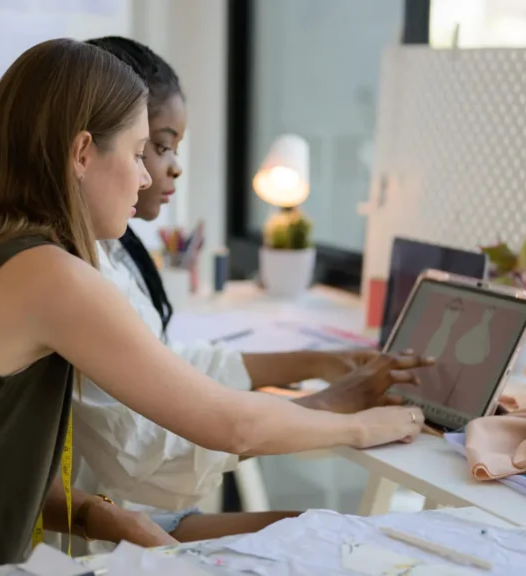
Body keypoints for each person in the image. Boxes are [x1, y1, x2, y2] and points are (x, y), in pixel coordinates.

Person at [0, 39, 427, 576]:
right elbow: (229, 426)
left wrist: (95, 513)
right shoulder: (48, 276)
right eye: (139, 150)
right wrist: (362, 426)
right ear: (83, 153)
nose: (149, 177)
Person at [71, 36, 427, 546]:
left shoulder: (113, 253)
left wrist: (315, 364)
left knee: (335, 532)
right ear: (86, 149)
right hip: (110, 515)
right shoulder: (74, 276)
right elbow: (152, 450)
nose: (166, 169)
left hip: (118, 509)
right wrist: (336, 410)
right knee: (339, 539)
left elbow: (168, 368)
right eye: (152, 146)